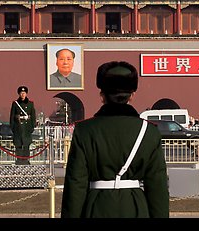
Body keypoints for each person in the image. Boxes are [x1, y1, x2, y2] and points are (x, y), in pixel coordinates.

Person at [61, 61, 169, 218]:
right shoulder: (149, 131)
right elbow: (157, 186)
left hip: (96, 207)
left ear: (102, 96)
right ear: (132, 96)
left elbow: (75, 184)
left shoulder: (85, 130)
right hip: (135, 207)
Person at [9, 86, 36, 165]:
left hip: (27, 128)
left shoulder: (30, 104)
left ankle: (26, 160)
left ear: (26, 94)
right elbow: (12, 116)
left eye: (24, 93)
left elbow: (33, 116)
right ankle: (19, 160)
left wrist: (32, 127)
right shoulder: (15, 104)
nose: (23, 94)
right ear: (19, 94)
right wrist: (13, 128)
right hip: (18, 127)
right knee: (18, 145)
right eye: (21, 93)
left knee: (26, 145)